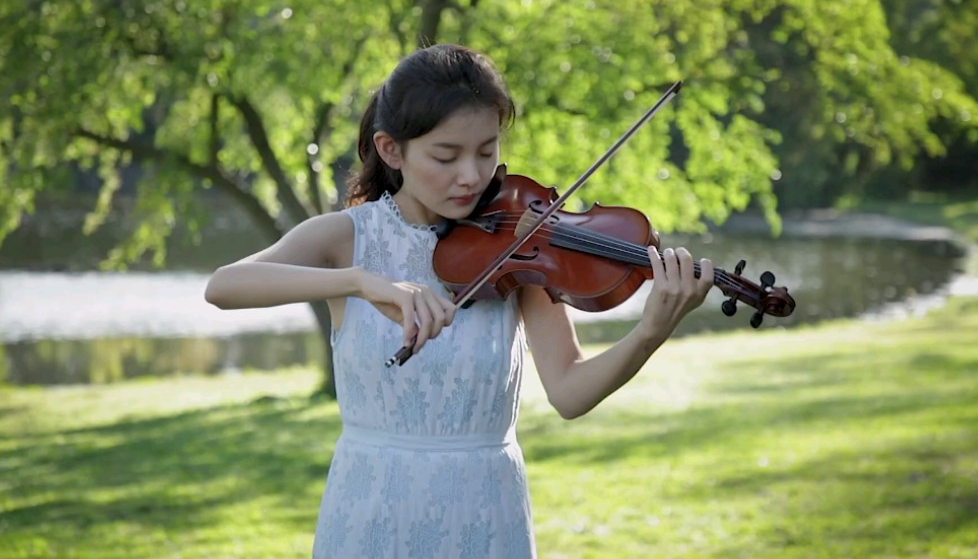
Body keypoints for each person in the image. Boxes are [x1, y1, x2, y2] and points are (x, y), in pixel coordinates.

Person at [204, 43, 714, 558]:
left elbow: (570, 392)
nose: (471, 175)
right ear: (391, 150)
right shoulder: (346, 239)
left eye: (486, 151)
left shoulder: (521, 247)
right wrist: (361, 282)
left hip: (487, 512)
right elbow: (224, 286)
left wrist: (649, 332)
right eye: (446, 156)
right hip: (372, 509)